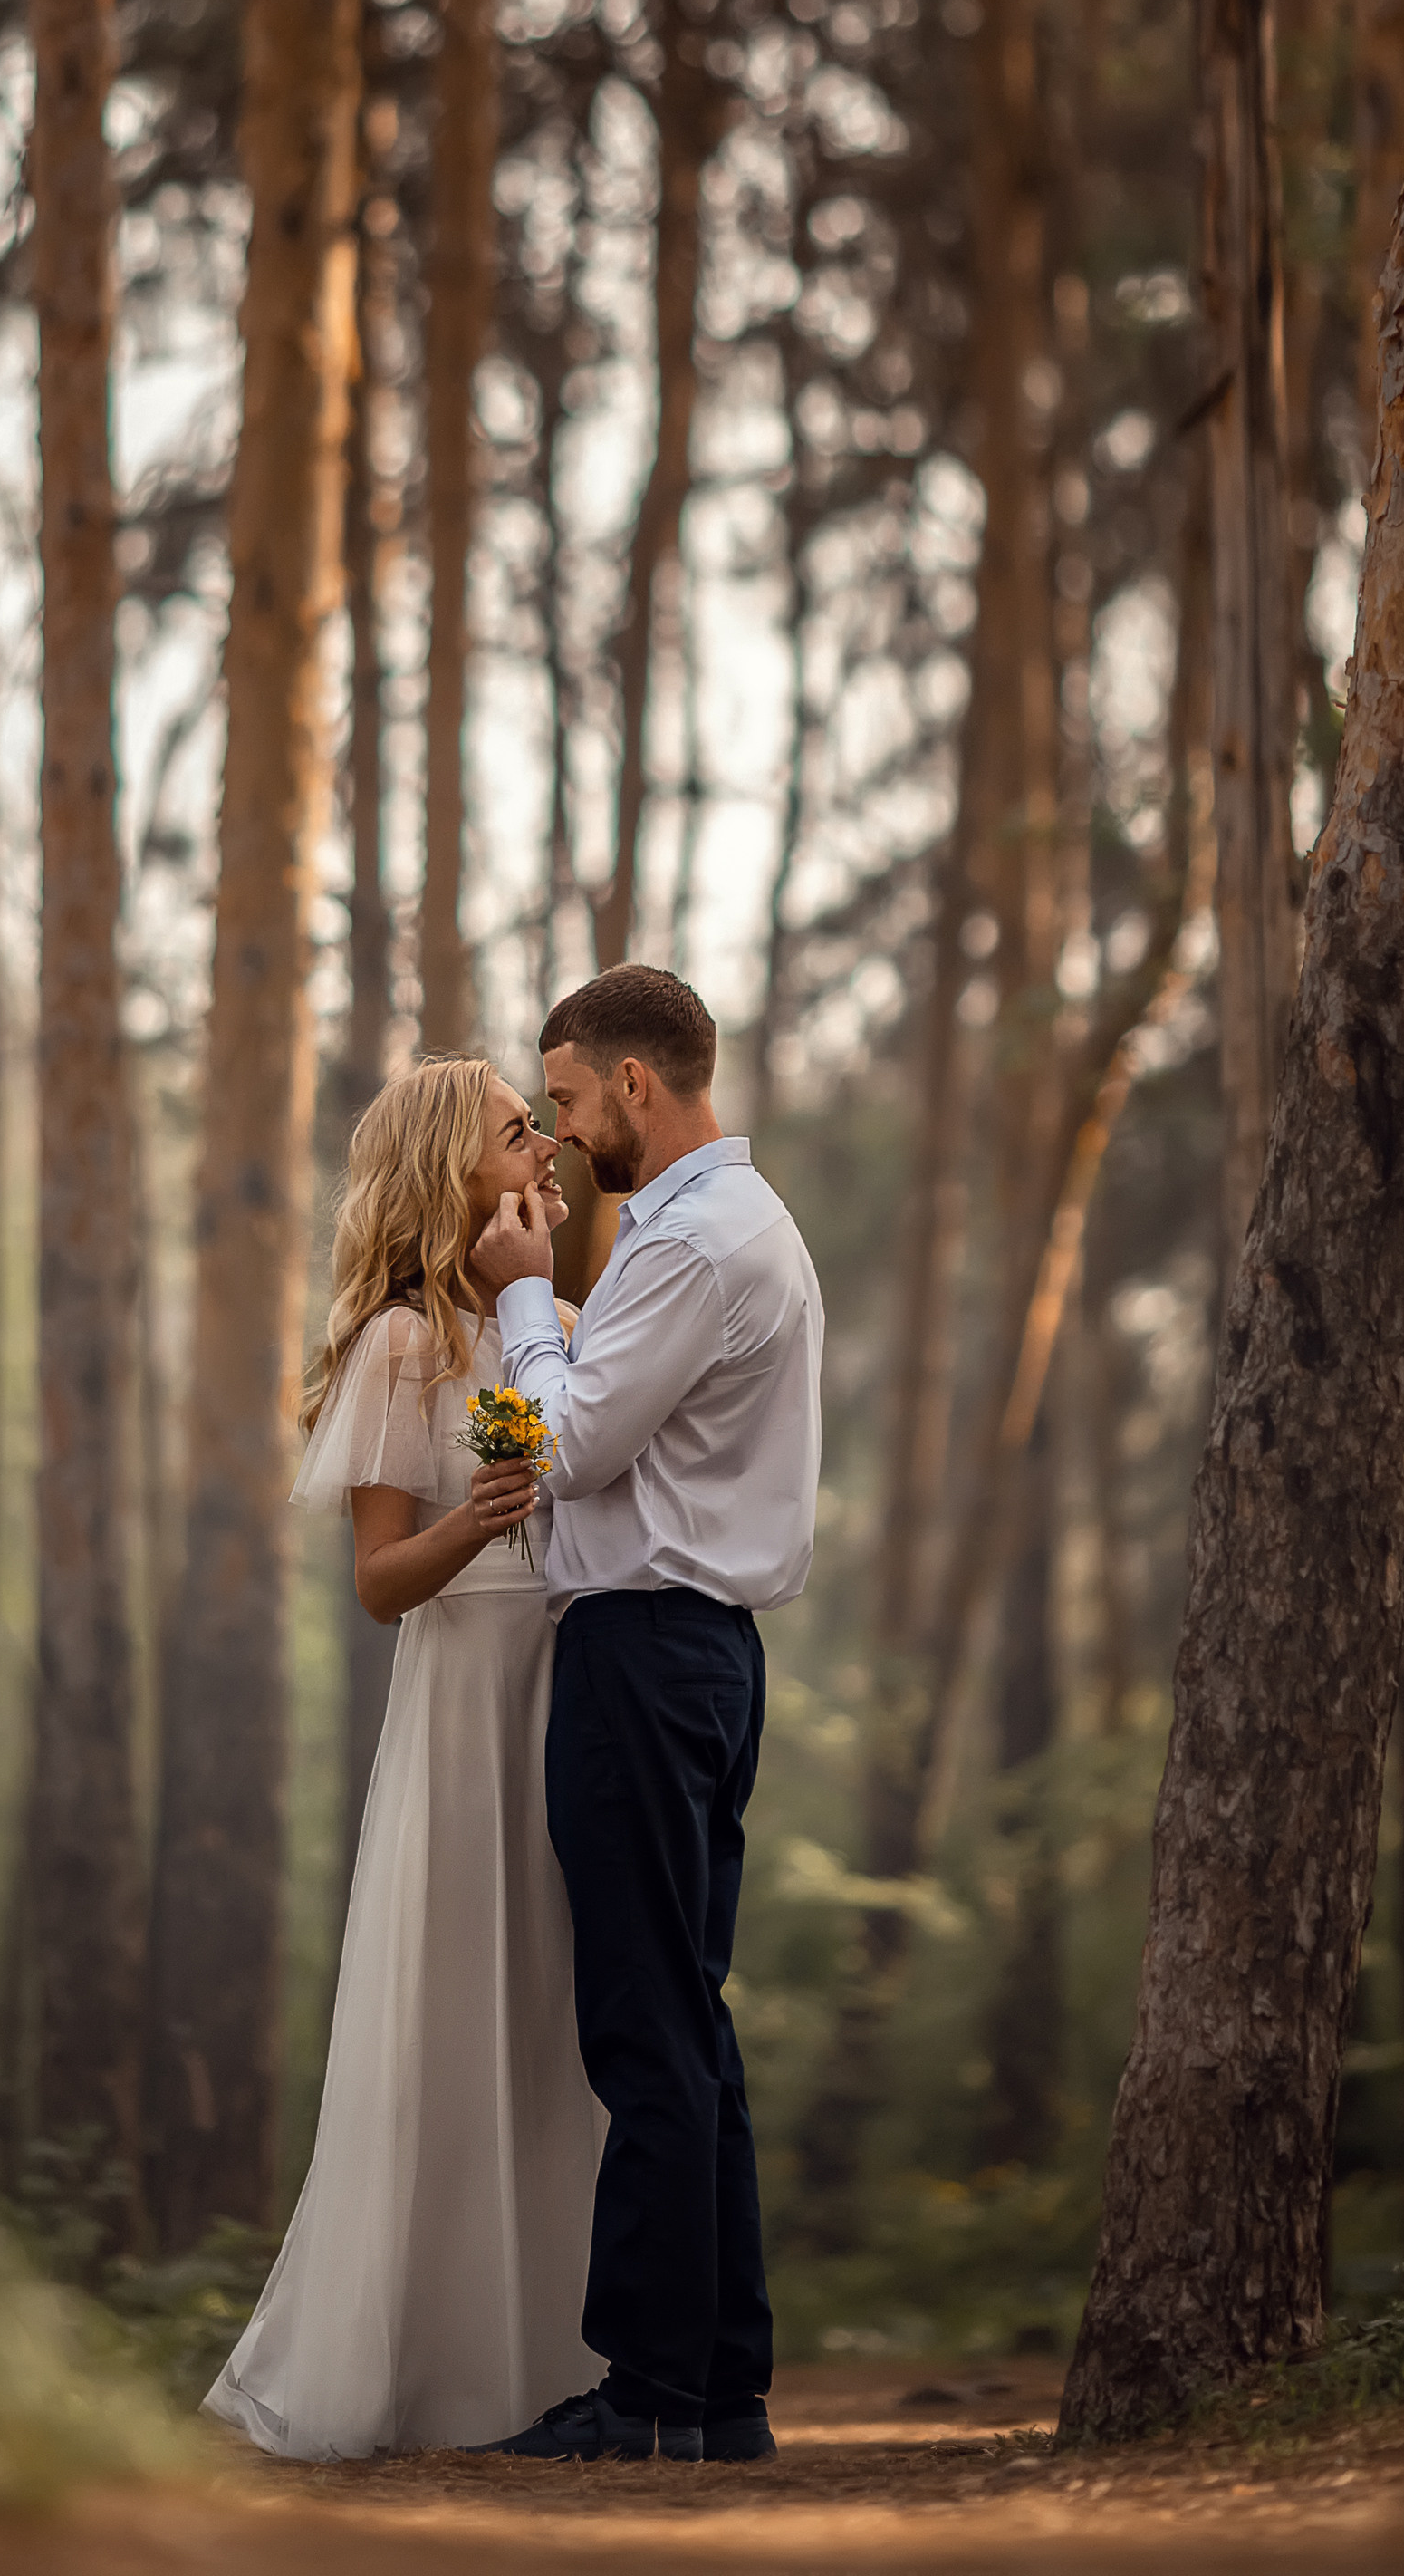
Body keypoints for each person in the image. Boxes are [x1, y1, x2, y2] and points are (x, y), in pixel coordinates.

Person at [203, 1056, 605, 2459]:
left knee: (553, 2018)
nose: (542, 1148)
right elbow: (383, 1582)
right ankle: (413, 2363)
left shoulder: (536, 1315)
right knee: (451, 2010)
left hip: (559, 1688)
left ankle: (553, 2363)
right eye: (515, 1132)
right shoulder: (399, 1346)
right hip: (459, 1703)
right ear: (455, 1168)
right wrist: (479, 1524)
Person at [473, 962, 824, 2468]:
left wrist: (518, 1296)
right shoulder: (705, 1228)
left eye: (559, 1101)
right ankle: (716, 2393)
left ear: (632, 1083)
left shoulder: (695, 1241)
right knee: (684, 2018)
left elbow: (559, 1442)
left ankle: (646, 2390)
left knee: (643, 2023)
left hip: (648, 1654)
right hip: (691, 1654)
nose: (553, 1138)